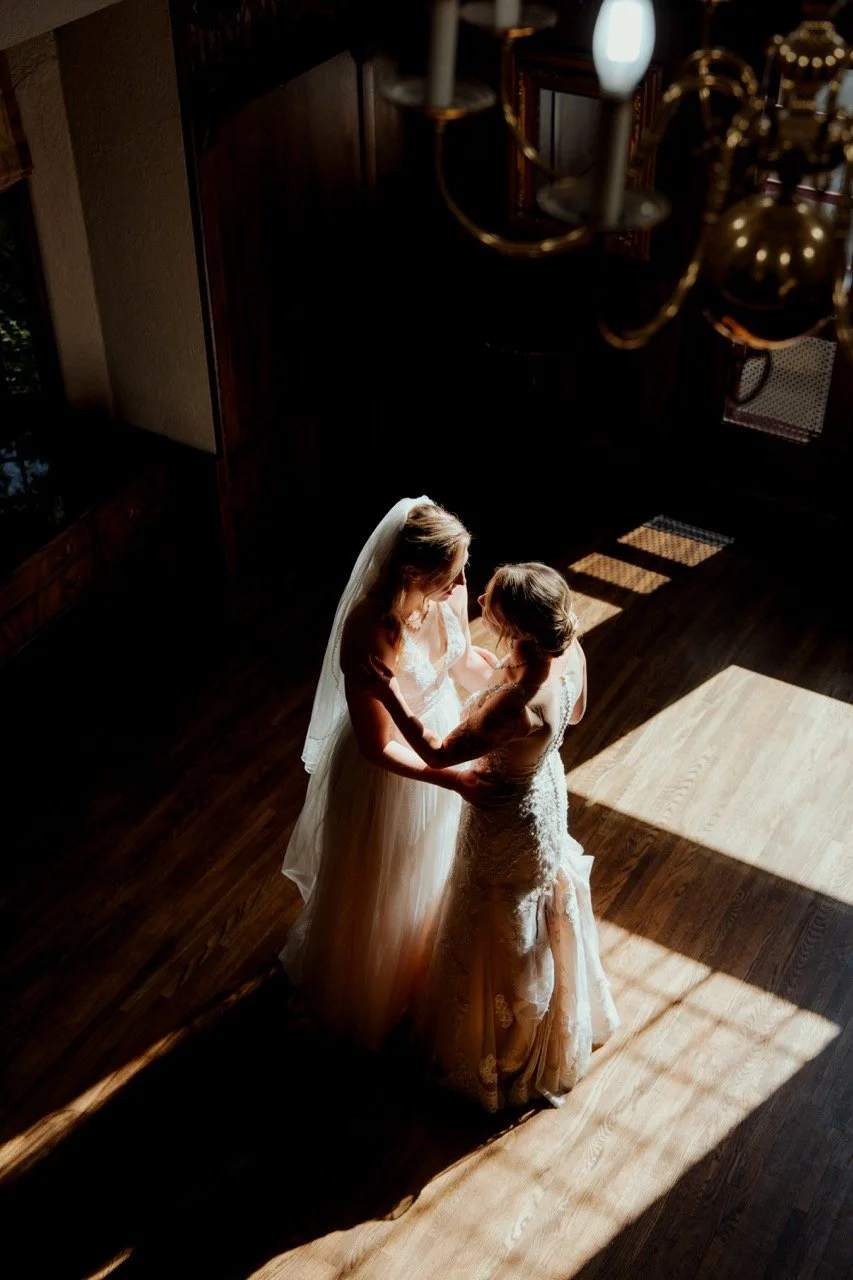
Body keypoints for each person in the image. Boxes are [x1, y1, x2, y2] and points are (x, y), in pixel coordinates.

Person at [367, 561, 620, 1111]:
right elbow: (574, 715)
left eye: (492, 604)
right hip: (543, 792)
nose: (480, 599)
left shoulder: (516, 703)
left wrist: (389, 694)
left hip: (504, 814)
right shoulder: (568, 650)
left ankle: (499, 1047)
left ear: (518, 630)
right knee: (529, 903)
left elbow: (436, 751)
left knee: (495, 911)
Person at [280, 496, 498, 1049]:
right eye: (452, 573)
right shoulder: (369, 628)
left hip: (441, 743)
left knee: (436, 879)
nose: (462, 582)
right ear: (412, 573)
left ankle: (425, 976)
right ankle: (377, 990)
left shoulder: (448, 596)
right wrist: (451, 778)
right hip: (389, 779)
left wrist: (507, 690)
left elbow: (461, 661)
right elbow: (378, 747)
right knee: (385, 890)